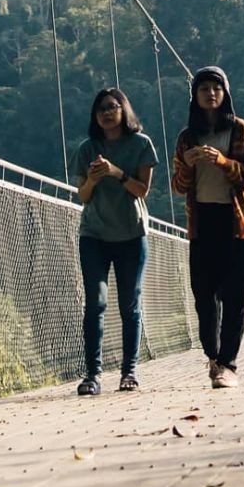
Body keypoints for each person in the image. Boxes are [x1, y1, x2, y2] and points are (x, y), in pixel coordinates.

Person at [172, 66, 244, 390]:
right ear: (195, 97)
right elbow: (178, 185)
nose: (210, 94)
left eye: (216, 88)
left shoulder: (240, 130)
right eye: (203, 89)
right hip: (203, 224)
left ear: (225, 94)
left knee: (235, 298)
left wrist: (223, 162)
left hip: (237, 223)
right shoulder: (187, 138)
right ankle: (212, 356)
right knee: (203, 297)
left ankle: (228, 365)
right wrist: (189, 162)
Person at [74, 87, 158, 396]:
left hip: (131, 235)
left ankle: (129, 372)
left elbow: (141, 191)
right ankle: (92, 376)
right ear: (95, 117)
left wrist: (116, 172)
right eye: (101, 110)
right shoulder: (87, 148)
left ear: (124, 110)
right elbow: (83, 196)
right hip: (94, 234)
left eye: (112, 107)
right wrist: (95, 178)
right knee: (95, 303)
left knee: (129, 305)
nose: (107, 113)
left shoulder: (141, 145)